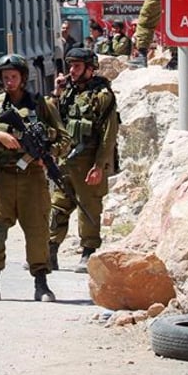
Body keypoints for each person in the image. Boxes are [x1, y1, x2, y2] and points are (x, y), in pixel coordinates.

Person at [0, 54, 69, 303]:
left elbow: (64, 139)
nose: (9, 81)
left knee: (37, 231)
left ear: (23, 78)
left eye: (13, 77)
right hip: (3, 178)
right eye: (5, 77)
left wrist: (47, 155)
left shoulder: (41, 104)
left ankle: (41, 284)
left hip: (32, 178)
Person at [49, 47, 119, 273]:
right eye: (71, 66)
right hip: (66, 162)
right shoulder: (67, 92)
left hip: (89, 162)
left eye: (77, 66)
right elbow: (53, 121)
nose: (72, 70)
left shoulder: (102, 96)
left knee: (88, 207)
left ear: (90, 69)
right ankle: (50, 251)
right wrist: (56, 94)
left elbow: (108, 136)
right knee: (58, 206)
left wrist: (99, 166)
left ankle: (88, 251)